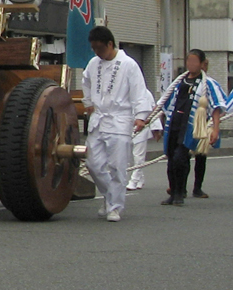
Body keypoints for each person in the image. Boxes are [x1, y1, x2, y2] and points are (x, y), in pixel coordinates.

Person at [81, 26, 150, 222]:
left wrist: (140, 115)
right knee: (93, 163)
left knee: (117, 166)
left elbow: (139, 91)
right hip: (99, 119)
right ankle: (109, 196)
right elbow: (86, 82)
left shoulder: (129, 64)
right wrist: (88, 103)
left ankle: (115, 206)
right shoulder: (94, 63)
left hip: (120, 120)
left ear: (110, 44)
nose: (96, 52)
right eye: (93, 48)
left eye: (99, 48)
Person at [158, 49, 226, 206]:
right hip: (174, 122)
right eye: (189, 61)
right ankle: (173, 191)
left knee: (180, 158)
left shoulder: (207, 83)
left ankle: (181, 193)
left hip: (191, 125)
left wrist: (215, 129)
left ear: (202, 64)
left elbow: (216, 107)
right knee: (170, 159)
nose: (192, 65)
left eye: (195, 62)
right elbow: (166, 103)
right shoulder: (179, 81)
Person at [190, 57, 225, 198]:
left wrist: (215, 127)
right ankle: (178, 187)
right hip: (188, 124)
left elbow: (217, 106)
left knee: (200, 156)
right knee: (181, 156)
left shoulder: (210, 84)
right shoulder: (184, 81)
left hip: (204, 125)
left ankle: (197, 187)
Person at [126, 89, 162, 191]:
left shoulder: (145, 93)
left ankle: (134, 180)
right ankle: (140, 179)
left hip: (141, 126)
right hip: (125, 127)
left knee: (138, 156)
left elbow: (153, 110)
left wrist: (156, 128)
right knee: (127, 157)